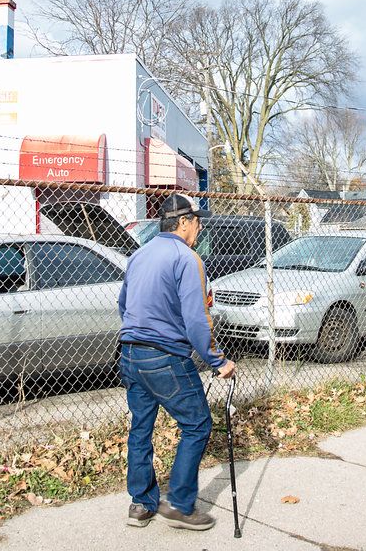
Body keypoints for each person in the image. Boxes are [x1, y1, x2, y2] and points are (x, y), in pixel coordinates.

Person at [118, 193, 235, 531]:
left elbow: (124, 304)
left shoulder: (138, 255)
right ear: (183, 222)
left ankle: (141, 503)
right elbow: (197, 319)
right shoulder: (187, 258)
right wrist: (218, 360)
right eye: (197, 221)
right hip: (165, 357)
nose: (200, 227)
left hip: (130, 353)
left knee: (141, 427)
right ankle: (181, 505)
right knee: (198, 424)